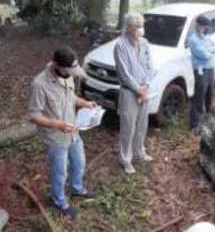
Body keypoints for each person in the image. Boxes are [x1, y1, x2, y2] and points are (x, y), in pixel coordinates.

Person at [27, 47, 98, 219]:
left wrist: (85, 104)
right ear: (57, 65)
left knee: (79, 162)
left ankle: (77, 188)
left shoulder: (68, 75)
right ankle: (59, 201)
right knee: (60, 172)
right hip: (56, 137)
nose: (72, 74)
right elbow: (33, 115)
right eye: (69, 71)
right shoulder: (40, 84)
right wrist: (57, 124)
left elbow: (71, 97)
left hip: (73, 130)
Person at [115, 13, 156, 175]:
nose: (141, 29)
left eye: (142, 25)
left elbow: (149, 66)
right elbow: (124, 73)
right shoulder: (120, 45)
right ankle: (125, 159)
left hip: (144, 90)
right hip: (129, 92)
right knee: (128, 127)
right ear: (129, 27)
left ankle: (139, 151)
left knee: (142, 124)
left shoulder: (145, 43)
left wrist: (146, 86)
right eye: (137, 26)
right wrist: (138, 90)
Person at [187, 15, 215, 133]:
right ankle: (194, 124)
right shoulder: (193, 39)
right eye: (203, 26)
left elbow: (214, 47)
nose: (205, 28)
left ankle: (209, 118)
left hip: (210, 68)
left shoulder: (206, 36)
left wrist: (210, 50)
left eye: (206, 26)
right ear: (198, 25)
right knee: (199, 96)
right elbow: (204, 55)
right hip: (201, 71)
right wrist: (210, 51)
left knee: (210, 94)